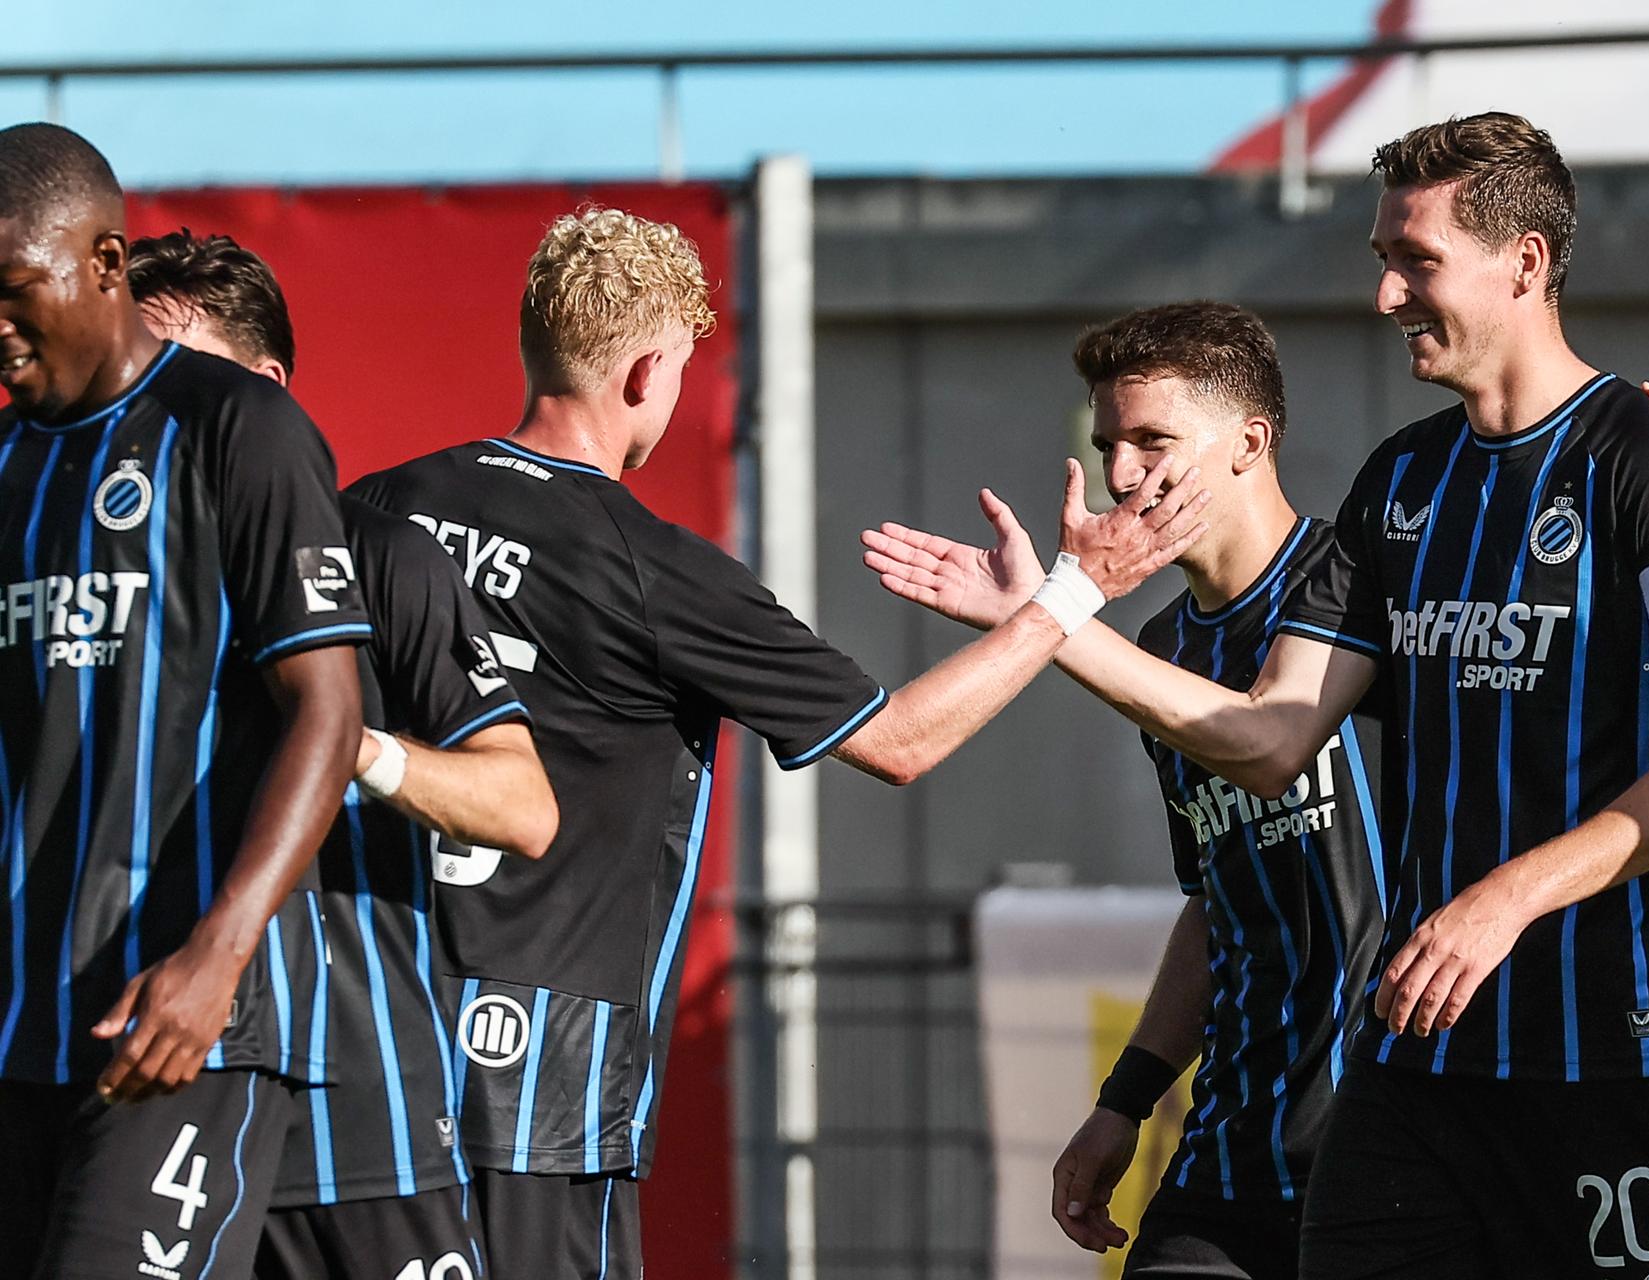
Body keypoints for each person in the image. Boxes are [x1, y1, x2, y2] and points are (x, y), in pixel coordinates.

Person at [864, 112, 1649, 1278]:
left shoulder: (1648, 459)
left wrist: (1506, 899)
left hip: (1608, 1063)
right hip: (1417, 1079)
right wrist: (1053, 619)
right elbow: (1274, 735)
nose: (1386, 293)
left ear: (1525, 264)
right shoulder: (1400, 481)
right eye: (1384, 258)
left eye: (1417, 259)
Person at [347, 205, 1207, 1278]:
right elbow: (898, 740)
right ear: (650, 372)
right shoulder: (648, 562)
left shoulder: (375, 509)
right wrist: (1073, 593)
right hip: (542, 1076)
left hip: (370, 1033)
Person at [128, 229, 563, 1280]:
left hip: (358, 1111)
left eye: (177, 368)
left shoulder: (382, 556)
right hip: (153, 1081)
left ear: (268, 388)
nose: (146, 402)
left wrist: (346, 743)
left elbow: (524, 804)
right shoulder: (99, 553)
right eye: (133, 373)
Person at [0, 124, 369, 1280]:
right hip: (20, 1031)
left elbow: (328, 713)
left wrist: (218, 951)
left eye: (17, 292)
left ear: (107, 263)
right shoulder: (7, 467)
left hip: (180, 1031)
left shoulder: (237, 430)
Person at [1035, 302, 1387, 1279]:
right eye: (1108, 442)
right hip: (1231, 1154)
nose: (1121, 473)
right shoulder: (1163, 651)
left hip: (1387, 1155)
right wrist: (1126, 1097)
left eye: (1153, 439)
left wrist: (1050, 617)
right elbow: (1217, 897)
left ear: (1250, 441)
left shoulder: (1359, 585)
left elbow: (1274, 744)